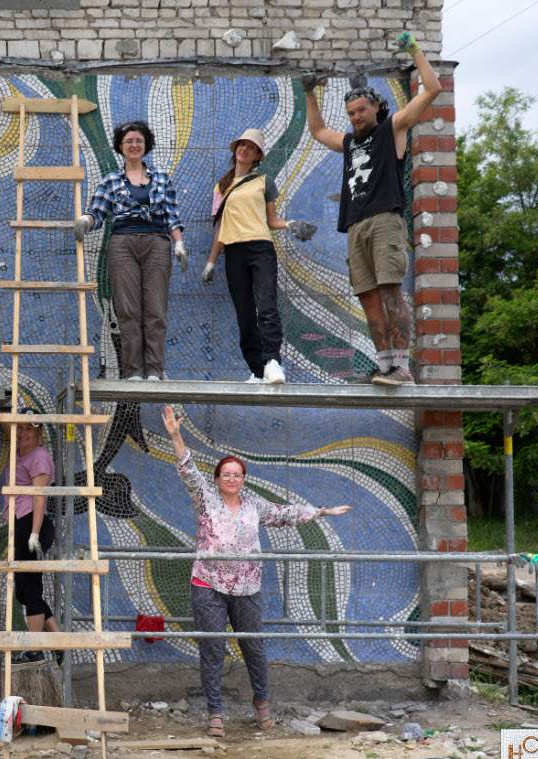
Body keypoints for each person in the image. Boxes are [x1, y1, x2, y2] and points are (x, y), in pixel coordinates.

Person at [160, 405, 351, 737]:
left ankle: (262, 704)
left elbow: (285, 513)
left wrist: (322, 512)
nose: (232, 479)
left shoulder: (254, 506)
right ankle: (215, 713)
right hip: (208, 584)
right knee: (213, 650)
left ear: (243, 480)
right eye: (226, 474)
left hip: (247, 588)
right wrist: (176, 436)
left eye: (237, 474)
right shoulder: (205, 498)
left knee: (254, 648)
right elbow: (188, 469)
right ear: (217, 479)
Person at [304, 32, 441, 386]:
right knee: (368, 297)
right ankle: (384, 367)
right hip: (355, 225)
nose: (355, 117)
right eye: (351, 113)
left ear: (375, 108)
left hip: (384, 220)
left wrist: (415, 51)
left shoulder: (392, 128)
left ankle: (402, 367)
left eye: (361, 110)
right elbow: (318, 130)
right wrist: (308, 93)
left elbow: (432, 89)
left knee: (390, 290)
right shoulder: (349, 142)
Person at [75, 121, 185, 381]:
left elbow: (171, 215)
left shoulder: (161, 178)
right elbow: (98, 213)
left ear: (145, 144)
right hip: (122, 244)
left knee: (155, 310)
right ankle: (134, 372)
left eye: (138, 140)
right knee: (128, 310)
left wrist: (178, 242)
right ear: (121, 147)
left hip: (157, 243)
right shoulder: (111, 180)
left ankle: (155, 371)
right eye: (129, 141)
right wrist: (84, 221)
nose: (134, 145)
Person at [200, 128, 295, 384]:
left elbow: (272, 220)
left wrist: (290, 225)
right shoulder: (221, 186)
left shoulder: (264, 181)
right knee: (244, 313)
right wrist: (211, 261)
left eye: (250, 147)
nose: (244, 149)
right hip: (234, 251)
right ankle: (256, 369)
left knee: (266, 305)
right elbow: (220, 227)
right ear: (235, 150)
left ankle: (272, 361)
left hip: (261, 247)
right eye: (241, 144)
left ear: (257, 156)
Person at [1, 411, 59, 662]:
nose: (23, 433)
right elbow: (3, 421)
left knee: (31, 591)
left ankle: (34, 651)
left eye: (29, 429)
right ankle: (58, 642)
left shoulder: (39, 458)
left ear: (39, 433)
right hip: (20, 524)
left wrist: (34, 534)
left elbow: (39, 497)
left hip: (32, 524)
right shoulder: (20, 450)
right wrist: (16, 414)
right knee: (23, 593)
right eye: (20, 428)